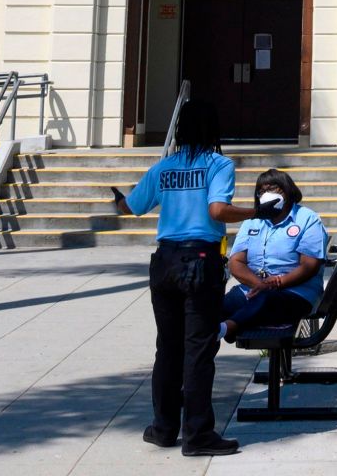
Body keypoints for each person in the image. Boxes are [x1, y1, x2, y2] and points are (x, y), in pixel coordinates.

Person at [111, 101, 254, 457]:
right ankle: (198, 435)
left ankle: (163, 428)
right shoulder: (220, 165)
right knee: (199, 349)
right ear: (213, 131)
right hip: (201, 261)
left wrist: (118, 201)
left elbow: (131, 207)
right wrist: (257, 212)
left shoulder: (164, 167)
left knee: (168, 348)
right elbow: (217, 210)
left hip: (164, 262)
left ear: (180, 131)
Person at [221, 169, 327, 340]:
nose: (266, 194)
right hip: (254, 289)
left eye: (272, 189)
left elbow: (309, 266)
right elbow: (236, 262)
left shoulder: (307, 219)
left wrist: (278, 282)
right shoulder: (253, 220)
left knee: (266, 300)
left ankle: (230, 327)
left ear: (287, 190)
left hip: (294, 293)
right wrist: (260, 284)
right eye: (261, 191)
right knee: (216, 308)